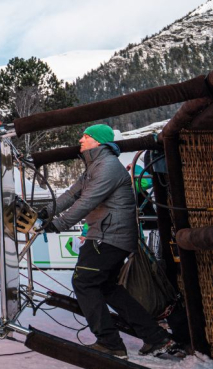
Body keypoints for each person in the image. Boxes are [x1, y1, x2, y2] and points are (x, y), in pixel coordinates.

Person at [40, 124, 173, 358]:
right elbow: (71, 194)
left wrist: (58, 224)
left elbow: (87, 201)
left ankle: (110, 343)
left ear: (98, 141)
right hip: (106, 234)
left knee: (84, 282)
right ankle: (155, 337)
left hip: (108, 236)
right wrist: (45, 212)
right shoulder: (95, 166)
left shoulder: (108, 167)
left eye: (85, 136)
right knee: (108, 287)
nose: (80, 139)